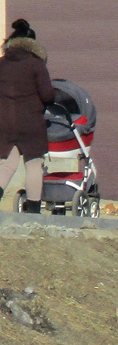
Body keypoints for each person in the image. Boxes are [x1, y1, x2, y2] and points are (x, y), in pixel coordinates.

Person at [0, 19, 54, 213]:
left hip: (5, 123)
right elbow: (48, 95)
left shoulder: (2, 64)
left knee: (7, 164)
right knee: (33, 164)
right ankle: (32, 211)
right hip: (31, 123)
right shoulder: (36, 65)